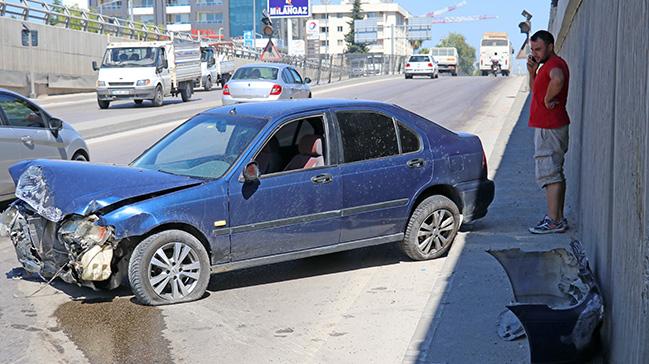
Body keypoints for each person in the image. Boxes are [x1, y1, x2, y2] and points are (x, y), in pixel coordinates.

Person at [527, 30, 571, 234]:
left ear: (551, 46)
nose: (535, 53)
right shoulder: (547, 65)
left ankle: (553, 221)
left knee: (549, 173)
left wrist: (547, 99)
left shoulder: (554, 65)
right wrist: (533, 73)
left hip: (550, 127)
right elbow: (534, 92)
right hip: (550, 126)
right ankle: (558, 218)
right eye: (532, 49)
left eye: (538, 49)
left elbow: (558, 79)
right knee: (554, 172)